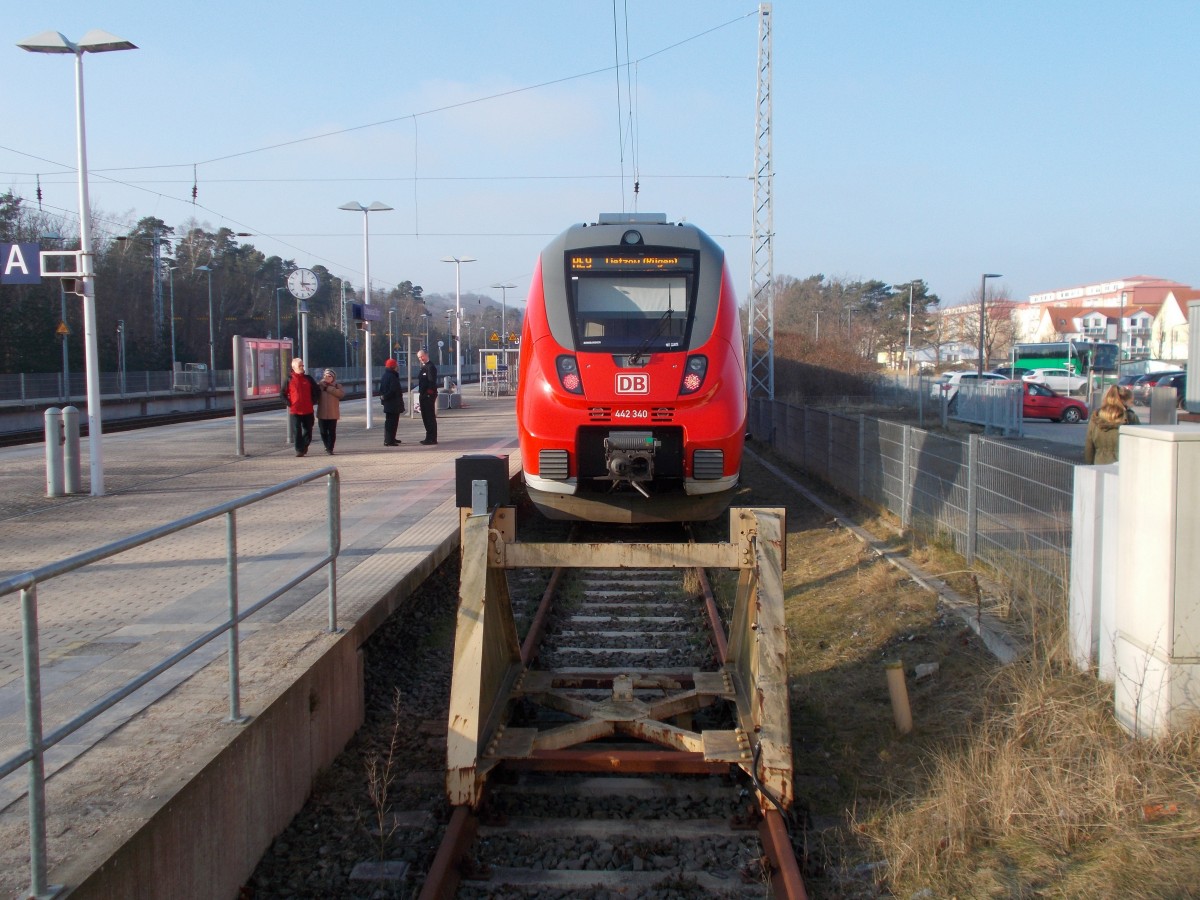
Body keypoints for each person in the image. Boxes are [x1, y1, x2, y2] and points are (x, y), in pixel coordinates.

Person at [1083, 385, 1138, 465]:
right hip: (1123, 466)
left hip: (1099, 465)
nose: (1132, 405)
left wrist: (1089, 465)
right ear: (1124, 401)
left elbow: (1089, 446)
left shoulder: (1095, 417)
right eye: (1131, 402)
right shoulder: (1131, 418)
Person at [281, 357, 320, 457]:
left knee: (308, 430)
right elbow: (282, 394)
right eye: (300, 365)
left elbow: (317, 390)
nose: (302, 367)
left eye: (302, 365)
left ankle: (304, 445)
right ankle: (299, 450)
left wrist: (313, 400)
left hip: (308, 409)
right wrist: (289, 403)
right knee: (297, 430)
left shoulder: (308, 378)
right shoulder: (289, 380)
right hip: (295, 410)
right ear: (294, 367)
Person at [316, 368, 346, 455]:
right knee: (323, 431)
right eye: (325, 376)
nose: (327, 377)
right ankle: (326, 445)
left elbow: (341, 394)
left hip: (333, 413)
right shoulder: (320, 386)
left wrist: (328, 388)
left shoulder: (337, 386)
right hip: (322, 413)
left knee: (332, 431)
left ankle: (330, 448)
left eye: (329, 376)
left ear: (333, 378)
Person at [379, 357, 404, 447]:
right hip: (393, 403)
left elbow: (381, 389)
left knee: (389, 422)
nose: (398, 367)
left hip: (388, 403)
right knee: (392, 422)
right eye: (396, 365)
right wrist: (386, 397)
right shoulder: (393, 376)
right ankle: (389, 440)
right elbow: (393, 390)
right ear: (393, 367)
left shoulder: (385, 376)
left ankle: (391, 438)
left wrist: (383, 398)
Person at [417, 348, 438, 445]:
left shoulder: (430, 367)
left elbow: (431, 382)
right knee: (425, 417)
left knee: (429, 416)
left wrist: (428, 394)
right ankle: (428, 436)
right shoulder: (424, 367)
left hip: (428, 396)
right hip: (423, 395)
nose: (420, 359)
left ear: (426, 355)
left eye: (422, 356)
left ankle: (432, 438)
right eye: (419, 357)